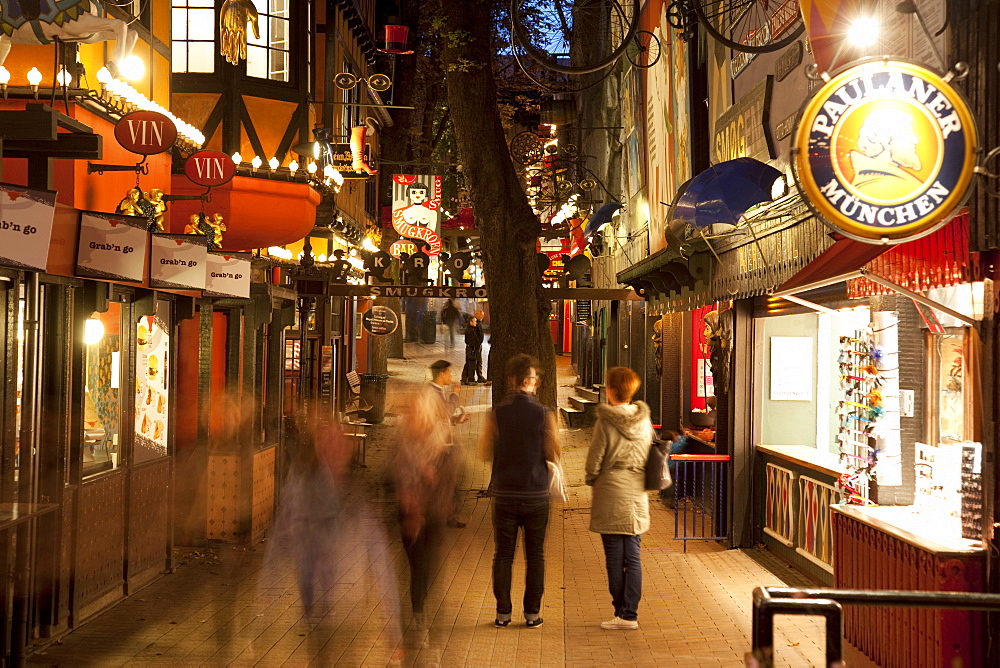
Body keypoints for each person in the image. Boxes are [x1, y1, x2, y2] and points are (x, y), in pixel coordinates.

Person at [480, 354, 560, 628]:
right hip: (536, 494)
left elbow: (484, 451)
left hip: (505, 494)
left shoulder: (498, 413)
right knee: (535, 555)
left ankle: (503, 614)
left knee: (503, 555)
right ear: (527, 380)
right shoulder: (544, 414)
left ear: (511, 381)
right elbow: (553, 452)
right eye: (536, 379)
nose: (537, 383)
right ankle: (532, 615)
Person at [389, 359, 468, 633]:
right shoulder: (405, 448)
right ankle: (416, 611)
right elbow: (395, 477)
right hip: (413, 514)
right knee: (417, 565)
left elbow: (449, 471)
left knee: (428, 566)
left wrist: (446, 499)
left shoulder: (433, 444)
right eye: (418, 416)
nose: (422, 420)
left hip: (432, 513)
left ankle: (420, 610)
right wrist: (409, 504)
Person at [586, 366, 654, 630]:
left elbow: (595, 459)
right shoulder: (644, 420)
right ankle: (631, 613)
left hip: (611, 490)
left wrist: (592, 477)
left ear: (612, 390)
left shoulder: (605, 421)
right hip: (636, 490)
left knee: (615, 556)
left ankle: (622, 613)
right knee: (633, 554)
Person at [462, 316, 487, 384]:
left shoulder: (472, 329)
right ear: (471, 322)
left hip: (472, 349)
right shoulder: (470, 330)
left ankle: (468, 379)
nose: (476, 323)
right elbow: (473, 341)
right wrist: (478, 343)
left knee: (473, 363)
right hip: (472, 349)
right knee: (471, 364)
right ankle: (470, 379)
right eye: (475, 321)